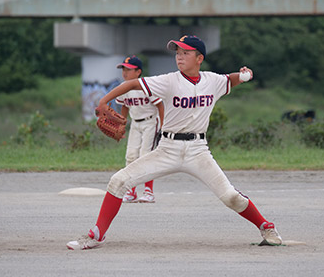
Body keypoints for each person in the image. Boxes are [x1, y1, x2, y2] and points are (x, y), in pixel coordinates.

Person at [66, 35, 283, 250]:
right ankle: (97, 235)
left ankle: (267, 227)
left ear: (199, 58)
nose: (179, 56)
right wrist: (104, 100)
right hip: (167, 149)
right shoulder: (168, 80)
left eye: (185, 52)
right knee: (118, 181)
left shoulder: (212, 80)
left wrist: (244, 75)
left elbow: (230, 80)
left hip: (198, 151)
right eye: (177, 52)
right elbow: (132, 83)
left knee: (231, 197)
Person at [115, 55, 164, 203]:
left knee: (145, 156)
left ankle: (149, 192)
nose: (124, 72)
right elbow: (124, 106)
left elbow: (160, 105)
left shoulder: (146, 86)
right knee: (131, 156)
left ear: (138, 72)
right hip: (135, 124)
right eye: (123, 68)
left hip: (150, 122)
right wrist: (121, 125)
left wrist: (163, 126)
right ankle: (131, 191)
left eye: (128, 69)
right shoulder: (124, 88)